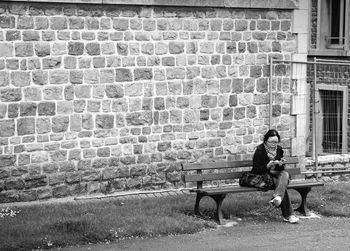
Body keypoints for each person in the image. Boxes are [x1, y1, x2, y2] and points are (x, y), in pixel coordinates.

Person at [251, 129, 299, 224]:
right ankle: (288, 215)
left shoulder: (279, 149)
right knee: (282, 186)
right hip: (264, 176)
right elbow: (255, 170)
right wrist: (267, 166)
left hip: (276, 174)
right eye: (271, 142)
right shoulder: (260, 151)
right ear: (266, 141)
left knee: (285, 174)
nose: (274, 144)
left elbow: (281, 169)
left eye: (276, 142)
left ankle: (277, 198)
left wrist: (280, 164)